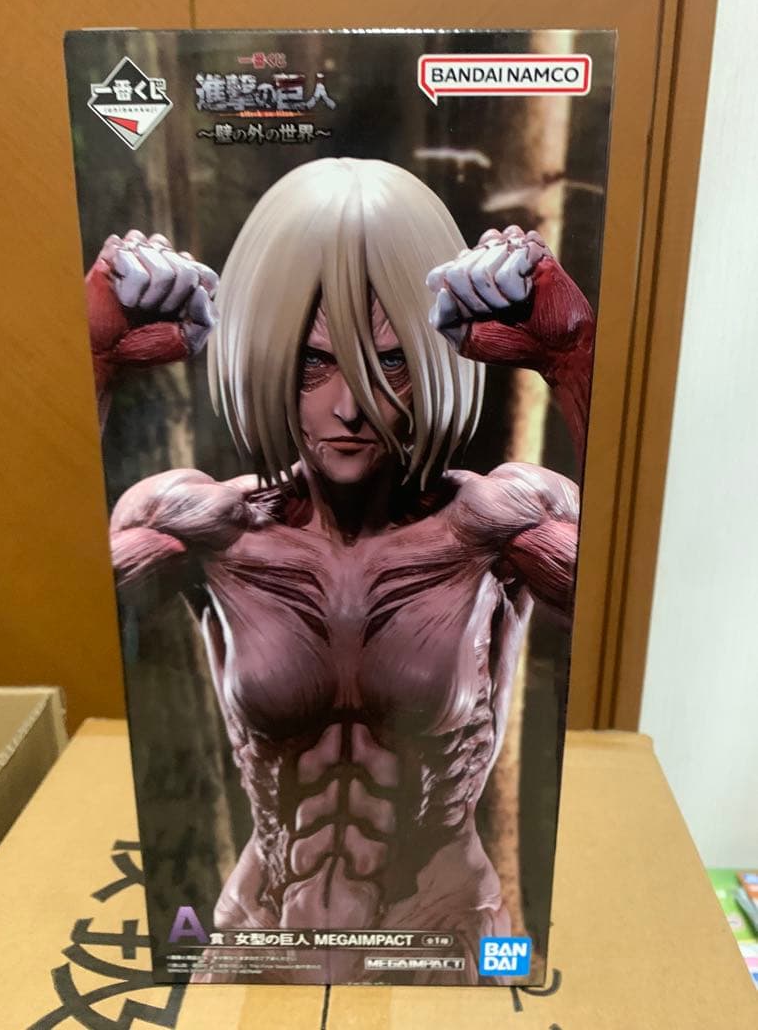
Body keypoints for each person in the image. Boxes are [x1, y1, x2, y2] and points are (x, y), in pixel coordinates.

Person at [86, 158, 594, 985]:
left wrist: (576, 364)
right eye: (313, 363)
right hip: (262, 931)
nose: (349, 406)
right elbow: (69, 630)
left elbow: (636, 621)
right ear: (265, 356)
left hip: (437, 933)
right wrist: (91, 365)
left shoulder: (500, 522)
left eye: (388, 362)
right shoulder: (203, 525)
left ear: (434, 358)